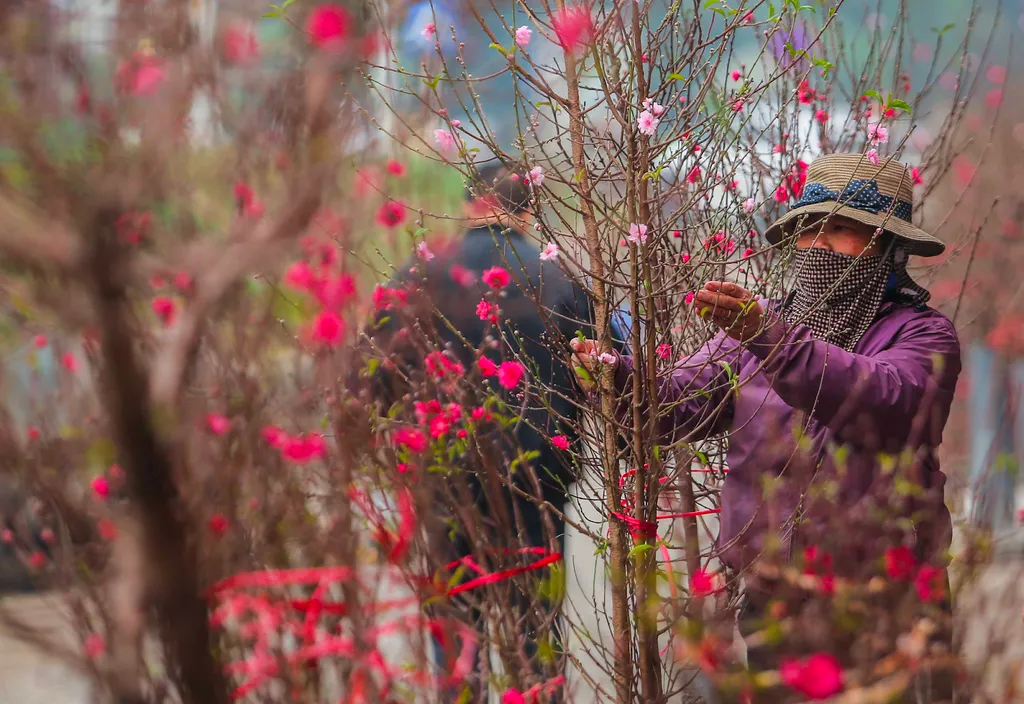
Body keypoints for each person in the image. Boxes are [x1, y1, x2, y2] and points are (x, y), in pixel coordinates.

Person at [572, 154, 961, 698]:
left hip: (885, 597)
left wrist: (772, 338)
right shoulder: (763, 332)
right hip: (775, 595)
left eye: (842, 230)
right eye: (809, 229)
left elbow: (885, 401)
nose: (819, 245)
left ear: (885, 247)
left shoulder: (922, 336)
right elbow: (675, 405)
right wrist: (616, 380)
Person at [357, 163, 621, 699]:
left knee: (457, 629)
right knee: (537, 630)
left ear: (469, 205)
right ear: (528, 211)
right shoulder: (556, 275)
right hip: (537, 480)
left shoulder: (417, 274)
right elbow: (606, 368)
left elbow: (369, 372)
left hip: (444, 472)